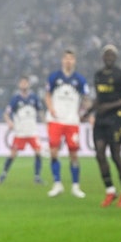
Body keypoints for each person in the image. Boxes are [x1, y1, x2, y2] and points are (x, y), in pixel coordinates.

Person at [86, 45, 121, 208]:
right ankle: (110, 190)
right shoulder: (98, 75)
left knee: (115, 156)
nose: (109, 57)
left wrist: (111, 106)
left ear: (116, 57)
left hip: (116, 119)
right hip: (100, 119)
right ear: (102, 57)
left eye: (112, 55)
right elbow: (98, 99)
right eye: (106, 55)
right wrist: (87, 112)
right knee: (99, 154)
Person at [44, 49, 89, 198]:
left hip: (72, 121)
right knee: (53, 152)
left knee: (74, 154)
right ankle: (57, 183)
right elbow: (47, 95)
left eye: (71, 59)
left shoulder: (80, 80)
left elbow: (86, 99)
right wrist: (51, 109)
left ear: (74, 61)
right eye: (66, 58)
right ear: (62, 60)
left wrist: (83, 112)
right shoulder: (54, 77)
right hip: (55, 120)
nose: (68, 61)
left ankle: (76, 186)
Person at [0, 76, 44, 185]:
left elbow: (41, 111)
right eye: (22, 83)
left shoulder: (34, 98)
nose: (24, 85)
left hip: (32, 131)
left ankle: (37, 177)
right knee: (13, 154)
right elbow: (6, 114)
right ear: (19, 85)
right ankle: (3, 174)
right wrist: (9, 122)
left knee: (38, 152)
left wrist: (46, 122)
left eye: (25, 83)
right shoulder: (15, 99)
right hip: (20, 133)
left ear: (28, 84)